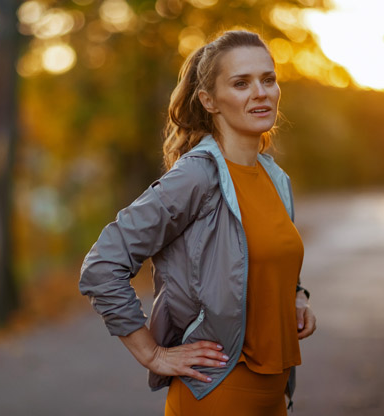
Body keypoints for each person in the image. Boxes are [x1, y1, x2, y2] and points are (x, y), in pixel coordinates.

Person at [79, 30, 317, 415]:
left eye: (268, 79)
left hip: (275, 396)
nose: (261, 92)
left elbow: (257, 260)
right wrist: (152, 354)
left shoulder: (275, 178)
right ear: (209, 100)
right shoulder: (196, 178)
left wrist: (296, 295)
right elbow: (103, 265)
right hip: (216, 397)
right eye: (241, 83)